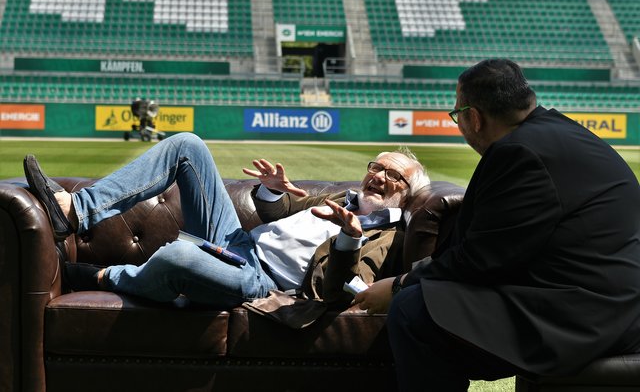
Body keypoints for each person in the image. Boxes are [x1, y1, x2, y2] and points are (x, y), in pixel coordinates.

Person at [354, 58, 640, 391]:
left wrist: (401, 284)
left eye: (457, 114)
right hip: (608, 300)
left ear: (473, 118)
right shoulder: (565, 134)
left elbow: (482, 259)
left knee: (413, 311)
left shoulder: (518, 152)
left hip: (587, 316)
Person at [23, 132, 429, 310]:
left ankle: (103, 277)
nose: (379, 175)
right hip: (237, 240)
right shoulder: (344, 197)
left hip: (262, 281)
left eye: (394, 175)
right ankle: (75, 210)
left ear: (408, 193)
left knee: (179, 257)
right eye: (377, 166)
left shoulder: (389, 235)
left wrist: (348, 238)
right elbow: (278, 213)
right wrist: (274, 190)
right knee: (187, 145)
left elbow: (340, 291)